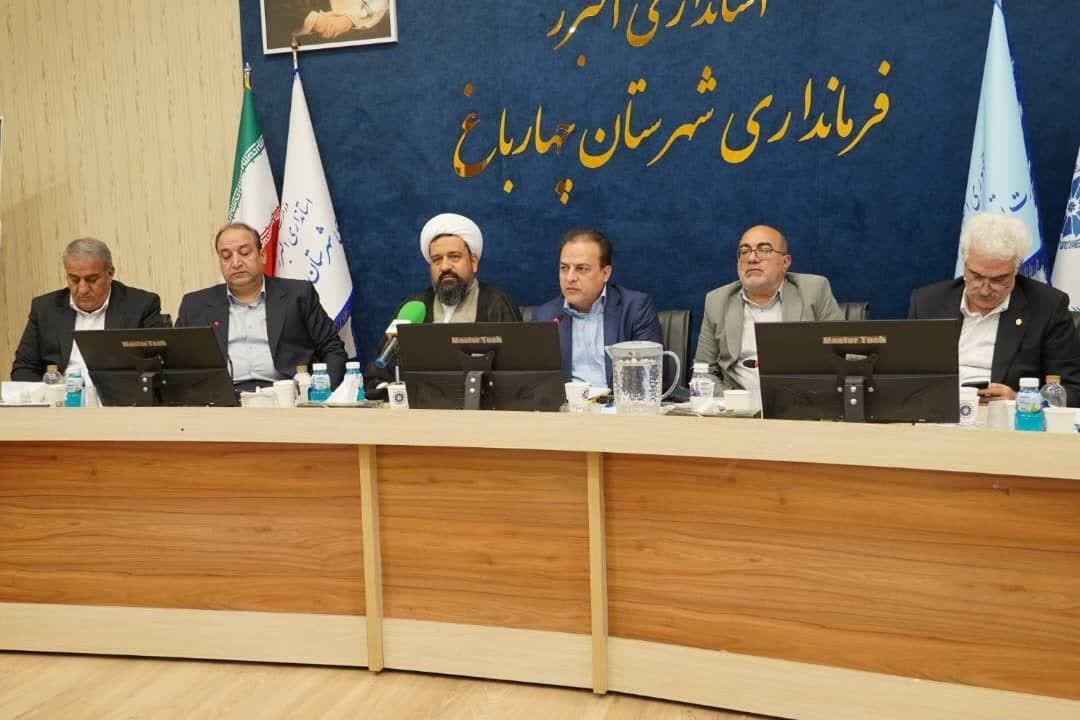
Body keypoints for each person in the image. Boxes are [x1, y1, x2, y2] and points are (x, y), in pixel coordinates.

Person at [909, 212, 1080, 405]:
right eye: (976, 276)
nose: (985, 290)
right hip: (938, 412)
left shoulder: (1048, 307)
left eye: (998, 280)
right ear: (965, 263)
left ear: (1017, 268)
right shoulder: (928, 303)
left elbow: (1073, 389)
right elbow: (905, 377)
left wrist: (1020, 400)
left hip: (1007, 417)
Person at [176, 222, 347, 391]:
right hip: (223, 399)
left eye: (244, 253)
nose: (236, 263)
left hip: (288, 396)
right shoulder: (196, 305)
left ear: (262, 255)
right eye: (226, 256)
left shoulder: (298, 295)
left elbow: (332, 349)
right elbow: (177, 363)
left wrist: (323, 394)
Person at [367, 213, 520, 386]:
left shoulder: (496, 304)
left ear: (473, 262)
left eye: (454, 256)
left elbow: (518, 375)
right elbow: (377, 376)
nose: (445, 266)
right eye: (437, 259)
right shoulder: (415, 306)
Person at [694, 225, 844, 396]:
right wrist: (732, 401)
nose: (752, 258)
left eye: (764, 250)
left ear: (785, 262)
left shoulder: (813, 290)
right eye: (744, 251)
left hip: (803, 401)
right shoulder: (717, 301)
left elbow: (844, 356)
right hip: (737, 406)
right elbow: (703, 371)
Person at [11, 237, 166, 382]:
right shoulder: (45, 308)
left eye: (92, 280)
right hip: (59, 398)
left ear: (110, 273)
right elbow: (24, 368)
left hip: (117, 399)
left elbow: (159, 367)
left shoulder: (141, 305)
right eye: (74, 280)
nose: (83, 289)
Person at [532, 228, 662, 388]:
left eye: (581, 269)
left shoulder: (635, 308)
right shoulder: (545, 316)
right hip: (567, 403)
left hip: (618, 402)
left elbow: (649, 377)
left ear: (605, 273)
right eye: (564, 268)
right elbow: (538, 384)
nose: (570, 278)